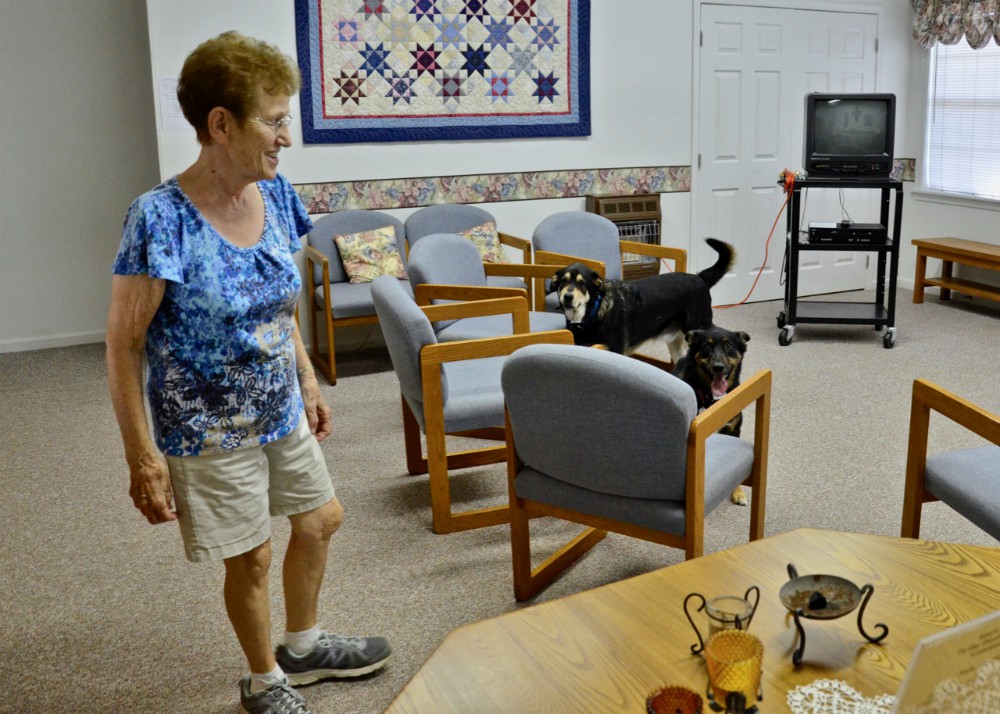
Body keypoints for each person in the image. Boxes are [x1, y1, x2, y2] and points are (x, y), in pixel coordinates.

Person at [106, 31, 390, 714]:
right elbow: (123, 345)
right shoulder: (160, 219)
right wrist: (141, 457)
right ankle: (265, 679)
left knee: (322, 518)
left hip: (277, 406)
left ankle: (304, 644)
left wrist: (309, 381)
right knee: (252, 557)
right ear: (221, 124)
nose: (286, 136)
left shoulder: (276, 193)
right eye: (275, 119)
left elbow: (279, 302)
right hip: (205, 426)